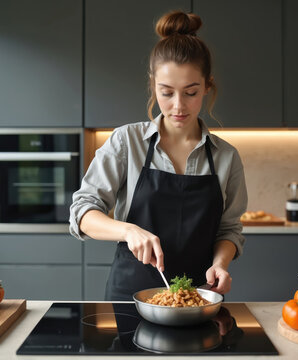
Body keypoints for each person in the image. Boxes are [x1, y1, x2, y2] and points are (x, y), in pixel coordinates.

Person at [69, 10, 248, 301]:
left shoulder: (226, 156)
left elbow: (229, 229)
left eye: (191, 93)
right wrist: (128, 231)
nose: (178, 106)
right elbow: (82, 213)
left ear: (207, 87)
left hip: (197, 298)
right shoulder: (127, 141)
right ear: (153, 86)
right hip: (129, 296)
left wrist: (220, 264)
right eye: (166, 92)